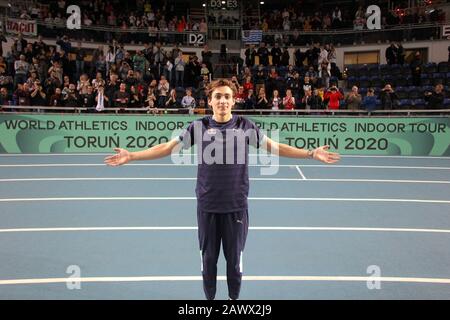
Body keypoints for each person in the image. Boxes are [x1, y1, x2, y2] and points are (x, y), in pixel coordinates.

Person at [104, 78, 340, 300]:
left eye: (227, 96)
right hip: (207, 206)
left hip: (236, 207)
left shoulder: (245, 126)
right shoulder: (199, 126)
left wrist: (310, 153)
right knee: (208, 262)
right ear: (210, 101)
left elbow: (275, 147)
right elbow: (168, 147)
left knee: (234, 264)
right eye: (218, 96)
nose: (223, 101)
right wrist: (132, 155)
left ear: (234, 100)